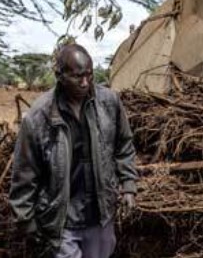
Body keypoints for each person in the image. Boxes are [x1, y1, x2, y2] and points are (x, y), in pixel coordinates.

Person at [9, 44, 138, 258]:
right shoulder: (39, 116)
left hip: (101, 215)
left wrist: (129, 185)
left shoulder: (109, 103)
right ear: (59, 75)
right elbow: (25, 171)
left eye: (89, 74)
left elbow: (124, 145)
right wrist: (25, 219)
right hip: (62, 221)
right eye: (78, 77)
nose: (85, 82)